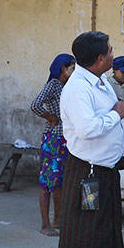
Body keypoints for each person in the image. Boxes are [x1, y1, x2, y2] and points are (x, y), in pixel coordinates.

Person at [56, 31, 124, 248]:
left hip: (107, 170)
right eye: (111, 51)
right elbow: (88, 129)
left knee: (108, 230)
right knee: (83, 233)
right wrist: (117, 113)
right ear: (100, 58)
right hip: (86, 172)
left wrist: (117, 113)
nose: (114, 55)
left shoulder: (100, 82)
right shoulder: (78, 88)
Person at [30, 53, 76, 237]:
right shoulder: (53, 85)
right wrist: (50, 117)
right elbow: (35, 105)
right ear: (63, 69)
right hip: (54, 139)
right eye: (72, 68)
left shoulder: (66, 86)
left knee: (59, 182)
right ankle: (45, 224)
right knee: (48, 181)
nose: (74, 71)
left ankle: (58, 219)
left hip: (63, 139)